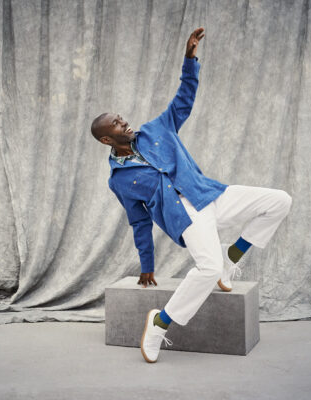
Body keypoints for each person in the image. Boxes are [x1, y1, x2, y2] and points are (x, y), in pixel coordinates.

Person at [90, 27, 292, 363]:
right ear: (106, 140)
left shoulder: (157, 129)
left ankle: (234, 255)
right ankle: (159, 323)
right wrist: (147, 265)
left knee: (279, 201)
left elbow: (184, 96)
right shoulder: (119, 180)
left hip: (209, 193)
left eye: (121, 117)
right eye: (115, 123)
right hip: (186, 215)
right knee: (208, 269)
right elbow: (138, 220)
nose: (123, 122)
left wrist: (189, 59)